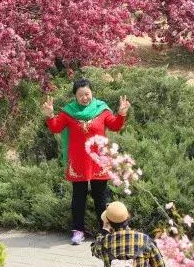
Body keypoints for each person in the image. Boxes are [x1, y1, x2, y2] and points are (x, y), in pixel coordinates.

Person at [43, 79, 130, 245]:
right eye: (81, 95)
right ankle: (78, 231)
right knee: (78, 198)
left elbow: (115, 126)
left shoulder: (102, 109)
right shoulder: (68, 112)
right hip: (78, 161)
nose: (85, 98)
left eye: (87, 94)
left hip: (99, 160)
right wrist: (49, 115)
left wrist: (122, 113)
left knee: (101, 198)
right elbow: (55, 127)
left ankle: (105, 231)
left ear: (92, 93)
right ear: (75, 96)